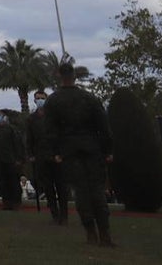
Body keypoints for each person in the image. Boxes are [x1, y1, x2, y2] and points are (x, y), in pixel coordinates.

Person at [45, 62, 115, 247]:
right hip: (92, 148)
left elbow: (50, 131)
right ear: (74, 75)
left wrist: (56, 153)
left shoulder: (53, 101)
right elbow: (104, 127)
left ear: (59, 75)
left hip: (69, 151)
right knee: (97, 191)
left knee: (82, 193)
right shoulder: (89, 98)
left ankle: (91, 233)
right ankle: (105, 234)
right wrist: (108, 150)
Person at [26, 89, 69, 225]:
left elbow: (62, 136)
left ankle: (64, 215)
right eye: (37, 98)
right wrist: (31, 155)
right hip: (41, 156)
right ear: (34, 100)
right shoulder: (31, 119)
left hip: (56, 156)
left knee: (61, 186)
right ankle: (55, 215)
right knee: (48, 187)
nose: (40, 100)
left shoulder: (55, 117)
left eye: (42, 98)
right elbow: (29, 139)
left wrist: (61, 154)